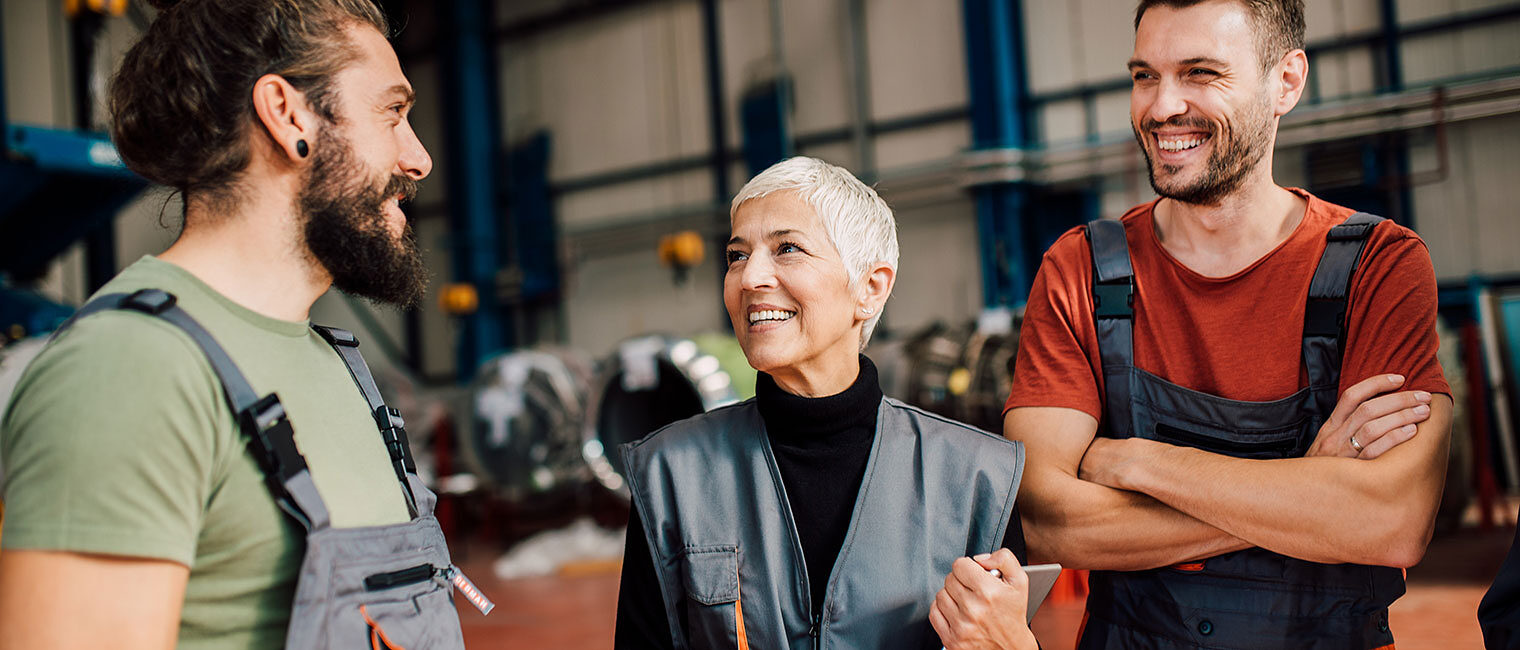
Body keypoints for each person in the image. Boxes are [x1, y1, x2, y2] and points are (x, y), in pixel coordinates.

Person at [0, 1, 479, 648]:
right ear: (289, 116)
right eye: (392, 112)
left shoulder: (335, 364)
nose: (418, 158)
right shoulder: (128, 371)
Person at [1005, 0, 1452, 647]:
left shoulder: (1380, 266)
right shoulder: (1079, 268)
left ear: (1287, 82)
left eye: (1200, 73)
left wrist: (1136, 463)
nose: (1160, 108)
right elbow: (1049, 523)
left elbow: (1393, 520)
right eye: (1144, 76)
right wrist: (1313, 485)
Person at [615, 156, 1037, 649]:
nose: (750, 278)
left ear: (871, 289)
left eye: (787, 249)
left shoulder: (975, 478)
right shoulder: (671, 474)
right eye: (736, 255)